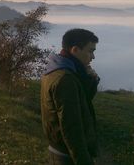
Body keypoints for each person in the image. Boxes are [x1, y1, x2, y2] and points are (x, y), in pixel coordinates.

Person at [41, 28, 100, 165]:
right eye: (90, 51)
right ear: (75, 50)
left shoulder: (57, 69)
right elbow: (72, 128)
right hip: (67, 156)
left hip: (60, 150)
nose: (93, 57)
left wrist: (89, 79)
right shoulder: (65, 79)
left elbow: (82, 102)